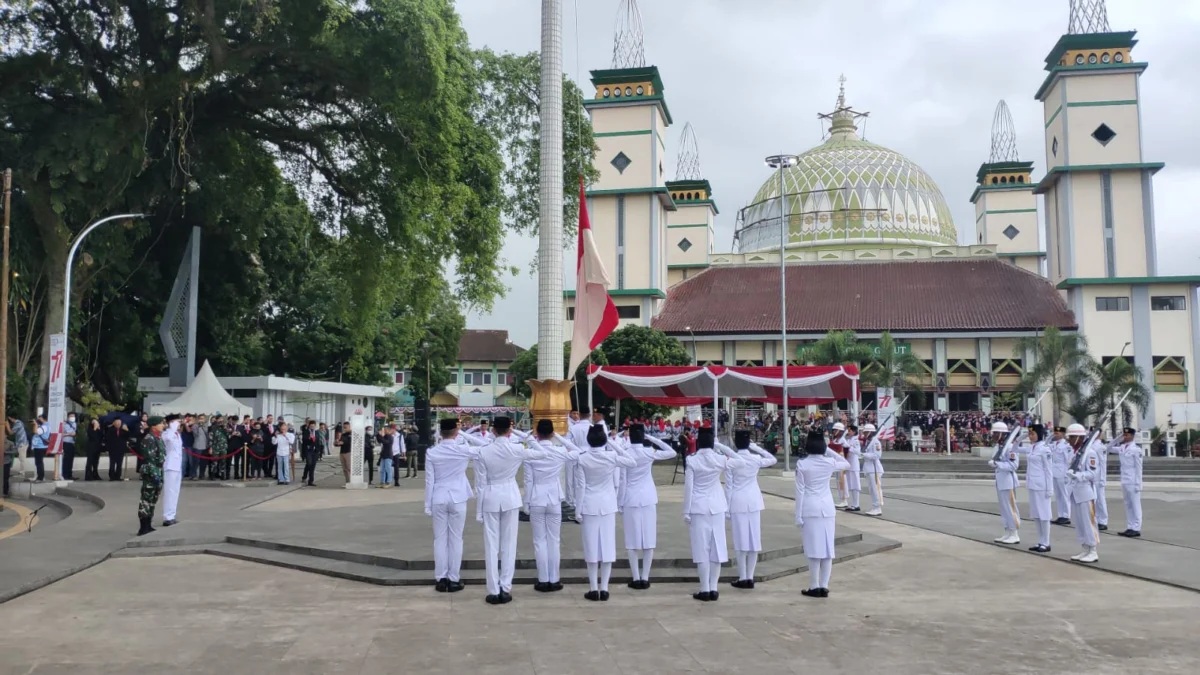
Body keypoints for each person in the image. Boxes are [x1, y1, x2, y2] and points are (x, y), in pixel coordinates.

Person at [474, 417, 556, 605]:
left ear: (493, 430)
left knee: (491, 546)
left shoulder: (484, 451)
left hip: (491, 495)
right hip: (510, 496)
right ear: (510, 431)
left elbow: (480, 483)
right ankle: (506, 587)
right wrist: (527, 438)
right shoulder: (517, 448)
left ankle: (493, 589)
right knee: (509, 545)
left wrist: (478, 509)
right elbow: (543, 453)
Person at [569, 424, 636, 602]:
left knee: (591, 547)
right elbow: (631, 461)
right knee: (607, 547)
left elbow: (580, 487)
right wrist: (613, 444)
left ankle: (593, 588)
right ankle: (604, 588)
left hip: (589, 505)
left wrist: (578, 510)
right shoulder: (611, 456)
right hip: (607, 505)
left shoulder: (582, 458)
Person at [683, 426, 748, 602]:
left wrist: (686, 510)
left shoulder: (692, 460)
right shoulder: (719, 459)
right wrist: (721, 448)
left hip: (698, 507)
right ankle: (713, 587)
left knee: (701, 549)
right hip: (717, 506)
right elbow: (741, 461)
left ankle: (704, 588)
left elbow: (689, 488)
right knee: (717, 548)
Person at [424, 418, 488, 592]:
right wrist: (463, 433)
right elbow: (485, 445)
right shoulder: (463, 450)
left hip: (438, 496)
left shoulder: (432, 452)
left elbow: (429, 480)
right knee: (456, 539)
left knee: (440, 540)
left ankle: (440, 578)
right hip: (458, 497)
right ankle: (453, 578)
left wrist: (427, 504)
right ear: (455, 431)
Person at [617, 424, 677, 590]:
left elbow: (622, 481)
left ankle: (636, 577)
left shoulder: (626, 453)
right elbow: (671, 452)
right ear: (643, 436)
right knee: (648, 539)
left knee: (632, 540)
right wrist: (652, 438)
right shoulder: (649, 452)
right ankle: (645, 577)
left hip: (630, 498)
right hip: (648, 497)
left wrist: (619, 503)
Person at [795, 429, 852, 598]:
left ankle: (814, 585)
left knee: (813, 549)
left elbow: (799, 492)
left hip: (810, 508)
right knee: (827, 548)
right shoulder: (829, 462)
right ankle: (824, 585)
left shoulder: (802, 464)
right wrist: (826, 449)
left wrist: (797, 515)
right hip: (826, 508)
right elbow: (845, 463)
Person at [524, 419, 576, 592]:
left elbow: (528, 480)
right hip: (554, 498)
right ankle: (554, 578)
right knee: (554, 540)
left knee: (539, 541)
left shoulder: (531, 453)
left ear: (537, 433)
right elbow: (578, 451)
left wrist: (527, 503)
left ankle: (543, 579)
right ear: (552, 433)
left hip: (537, 498)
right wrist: (559, 438)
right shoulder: (559, 451)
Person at [725, 429, 777, 589]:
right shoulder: (755, 458)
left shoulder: (731, 460)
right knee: (754, 540)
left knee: (741, 541)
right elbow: (772, 459)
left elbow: (728, 486)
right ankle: (750, 576)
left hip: (738, 500)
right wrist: (756, 448)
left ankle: (743, 577)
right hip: (754, 501)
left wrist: (727, 507)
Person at [1014, 424, 1054, 553]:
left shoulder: (1045, 449)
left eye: (1032, 434)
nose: (1031, 436)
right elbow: (1014, 449)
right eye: (1029, 434)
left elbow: (1048, 470)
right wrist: (1020, 438)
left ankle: (1046, 542)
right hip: (1032, 485)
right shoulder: (1031, 448)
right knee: (1036, 515)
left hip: (1042, 486)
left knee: (1044, 515)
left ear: (1039, 434)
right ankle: (1040, 541)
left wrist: (1050, 488)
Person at [1065, 424, 1100, 563]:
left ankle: (1093, 550)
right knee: (1080, 524)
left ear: (1080, 437)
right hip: (1075, 492)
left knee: (1089, 522)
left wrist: (1077, 476)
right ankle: (1085, 548)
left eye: (1073, 437)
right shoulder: (1074, 452)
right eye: (1070, 437)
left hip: (1085, 492)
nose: (1070, 440)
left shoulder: (1089, 453)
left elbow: (1093, 473)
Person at [987, 422, 1021, 545]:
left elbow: (1014, 465)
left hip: (1008, 481)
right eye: (993, 433)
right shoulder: (998, 447)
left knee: (1010, 508)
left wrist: (998, 464)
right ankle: (1007, 531)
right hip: (1000, 480)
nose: (994, 435)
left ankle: (1014, 533)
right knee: (1003, 508)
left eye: (996, 433)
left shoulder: (1010, 447)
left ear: (1002, 434)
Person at [136, 417, 167, 536]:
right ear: (153, 426)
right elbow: (150, 459)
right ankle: (143, 526)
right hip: (151, 471)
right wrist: (155, 475)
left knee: (153, 498)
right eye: (160, 424)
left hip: (158, 470)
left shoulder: (158, 438)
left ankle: (148, 524)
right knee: (146, 499)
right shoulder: (149, 439)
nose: (163, 425)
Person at [1115, 427, 1143, 537]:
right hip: (1125, 480)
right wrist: (1117, 438)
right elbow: (1107, 448)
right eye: (1124, 435)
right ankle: (1130, 526)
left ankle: (1136, 528)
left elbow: (1139, 468)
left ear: (1132, 436)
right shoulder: (1122, 447)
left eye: (1127, 435)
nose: (1125, 437)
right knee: (1128, 505)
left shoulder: (1136, 449)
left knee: (1135, 505)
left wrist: (1138, 484)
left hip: (1133, 481)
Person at [161, 415, 183, 527]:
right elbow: (168, 440)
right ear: (171, 423)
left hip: (177, 466)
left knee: (175, 492)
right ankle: (167, 517)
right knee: (169, 492)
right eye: (177, 422)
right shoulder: (166, 433)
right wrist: (172, 427)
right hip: (169, 466)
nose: (179, 424)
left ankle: (172, 515)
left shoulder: (177, 434)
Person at [1050, 425, 1073, 525]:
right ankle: (1060, 515)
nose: (1055, 434)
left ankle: (1066, 516)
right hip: (1054, 472)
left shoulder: (1066, 446)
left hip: (1063, 472)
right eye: (1054, 432)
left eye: (1057, 433)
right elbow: (1045, 444)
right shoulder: (1053, 444)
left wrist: (1067, 474)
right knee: (1058, 495)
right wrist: (1050, 436)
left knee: (1064, 495)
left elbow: (1068, 460)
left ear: (1063, 434)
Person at [860, 423, 884, 516]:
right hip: (869, 469)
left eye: (866, 432)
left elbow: (877, 455)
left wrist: (864, 454)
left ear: (870, 432)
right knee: (871, 489)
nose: (864, 434)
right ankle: (874, 506)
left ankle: (877, 507)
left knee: (876, 489)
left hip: (874, 469)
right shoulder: (868, 442)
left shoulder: (875, 442)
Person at [843, 424, 863, 512]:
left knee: (855, 485)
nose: (848, 432)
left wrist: (849, 448)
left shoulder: (856, 441)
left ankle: (856, 504)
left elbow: (858, 452)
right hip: (849, 464)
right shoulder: (849, 439)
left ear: (854, 432)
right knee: (851, 485)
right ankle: (853, 504)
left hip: (854, 465)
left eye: (850, 430)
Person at [29, 416, 49, 483]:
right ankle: (40, 476)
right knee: (39, 462)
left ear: (44, 419)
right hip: (39, 446)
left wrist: (35, 424)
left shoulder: (44, 426)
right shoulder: (44, 426)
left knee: (39, 463)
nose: (38, 420)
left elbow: (35, 432)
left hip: (40, 447)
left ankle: (40, 477)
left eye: (40, 418)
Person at [301, 421, 321, 487]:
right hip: (308, 450)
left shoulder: (317, 432)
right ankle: (304, 477)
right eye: (311, 426)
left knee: (312, 465)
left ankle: (310, 480)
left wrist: (319, 450)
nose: (312, 427)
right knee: (309, 463)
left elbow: (318, 441)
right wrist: (309, 438)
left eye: (313, 426)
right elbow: (304, 441)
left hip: (315, 451)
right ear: (309, 426)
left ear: (315, 426)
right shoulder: (306, 432)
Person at [191, 414, 209, 481]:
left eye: (203, 418)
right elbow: (196, 435)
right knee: (196, 462)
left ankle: (202, 474)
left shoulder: (206, 426)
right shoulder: (194, 426)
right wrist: (199, 426)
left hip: (205, 446)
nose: (202, 420)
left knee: (203, 462)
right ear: (198, 419)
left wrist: (203, 426)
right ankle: (194, 475)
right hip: (197, 446)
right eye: (200, 418)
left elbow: (208, 434)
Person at [62, 413, 77, 481]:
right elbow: (72, 433)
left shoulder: (74, 423)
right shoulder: (65, 424)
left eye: (73, 416)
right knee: (66, 459)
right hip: (66, 443)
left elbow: (74, 433)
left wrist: (69, 434)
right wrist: (69, 434)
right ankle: (65, 474)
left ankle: (69, 474)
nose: (72, 417)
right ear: (68, 417)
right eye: (71, 416)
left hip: (72, 443)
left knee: (71, 459)